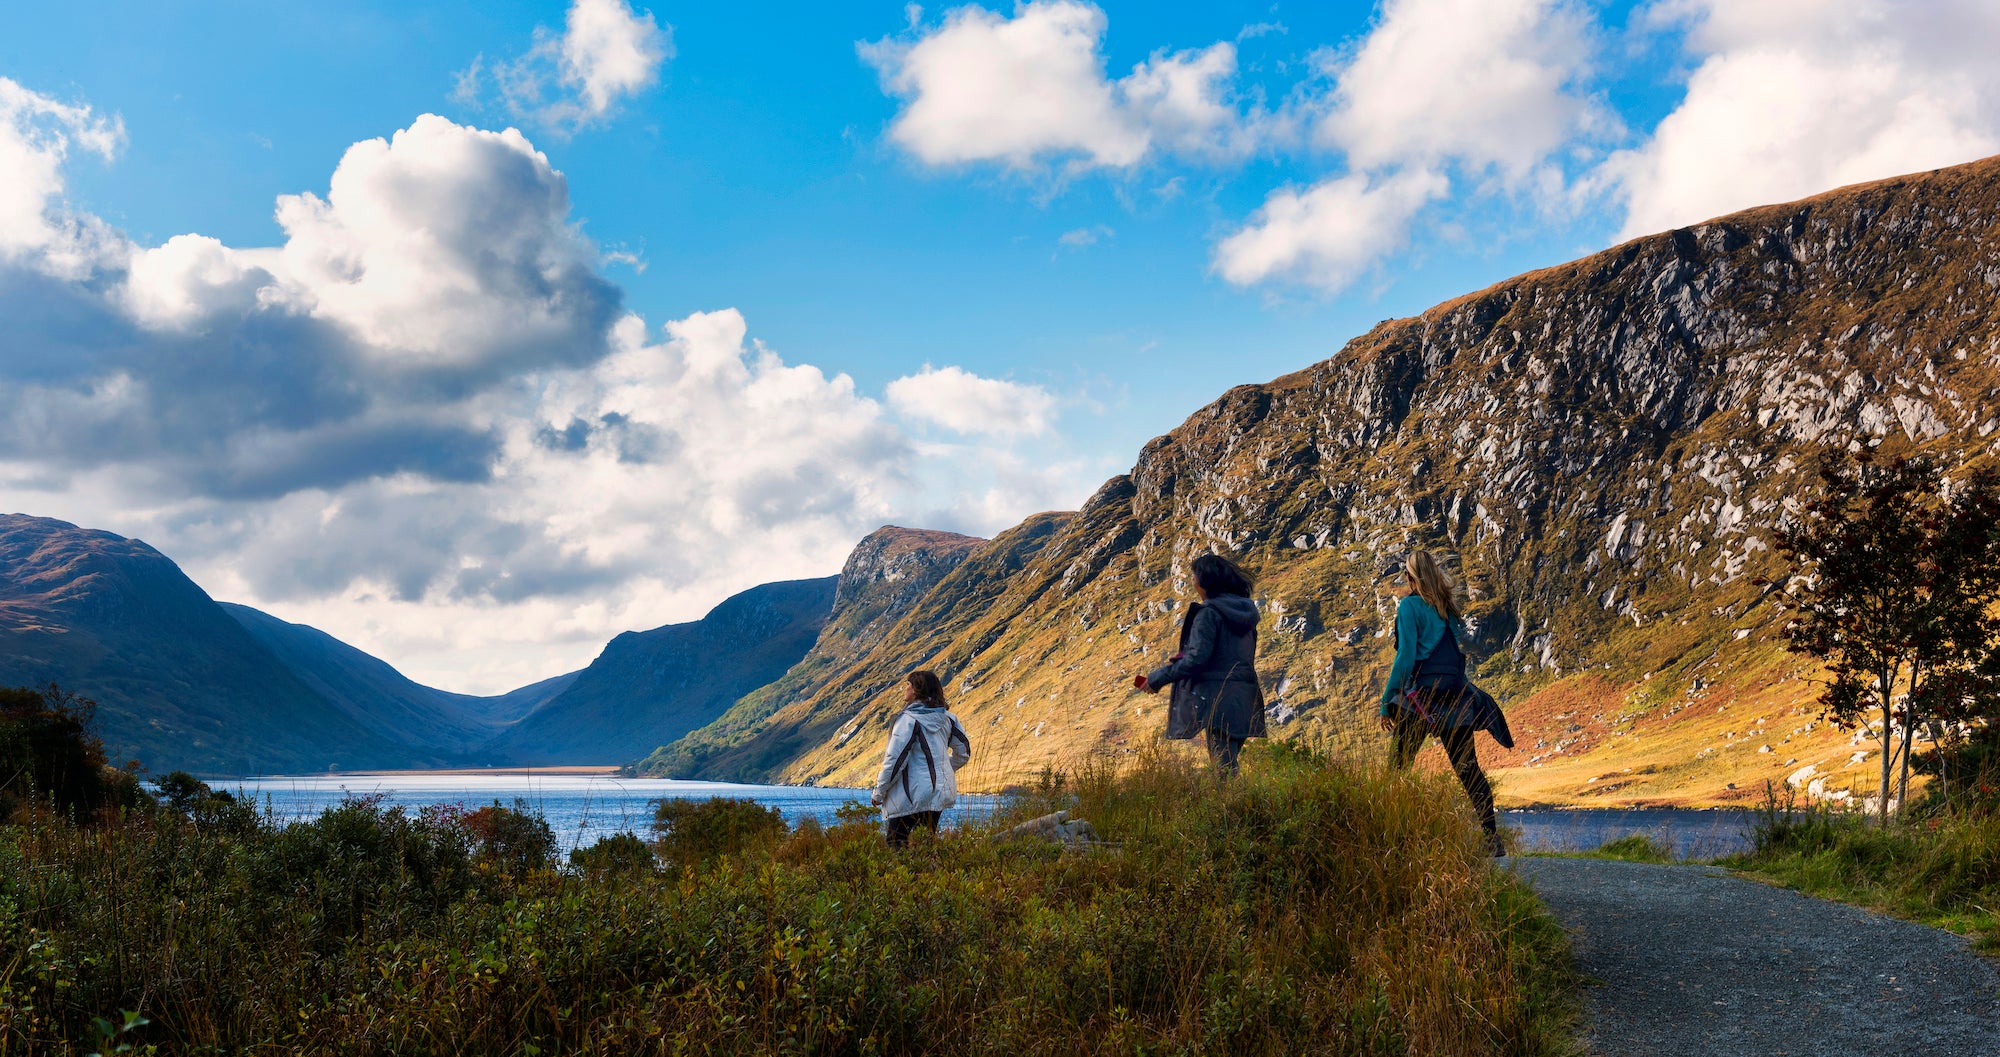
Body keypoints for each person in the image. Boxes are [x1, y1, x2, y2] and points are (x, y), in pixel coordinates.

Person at [1379, 549, 1510, 855]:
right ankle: (1492, 840)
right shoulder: (1446, 608)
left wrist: (1387, 701)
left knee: (1397, 768)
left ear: (1410, 577)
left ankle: (1391, 838)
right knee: (1468, 769)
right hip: (1455, 698)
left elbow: (1406, 658)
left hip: (1420, 699)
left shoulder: (1409, 606)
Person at [1134, 553, 1267, 774]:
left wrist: (1157, 679)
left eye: (1194, 575)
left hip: (1218, 698)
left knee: (1223, 770)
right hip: (1245, 696)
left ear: (1205, 580)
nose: (1192, 580)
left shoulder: (1209, 613)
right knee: (1229, 762)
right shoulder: (1245, 614)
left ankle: (1231, 808)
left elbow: (1196, 659)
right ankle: (1238, 805)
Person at [871, 669, 972, 848]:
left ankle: (903, 877)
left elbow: (895, 760)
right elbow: (963, 753)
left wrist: (879, 792)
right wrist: (942, 770)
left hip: (911, 794)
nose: (905, 689)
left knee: (896, 843)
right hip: (938, 792)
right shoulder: (949, 719)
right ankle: (930, 875)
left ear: (917, 690)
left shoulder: (908, 720)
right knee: (925, 843)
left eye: (908, 685)